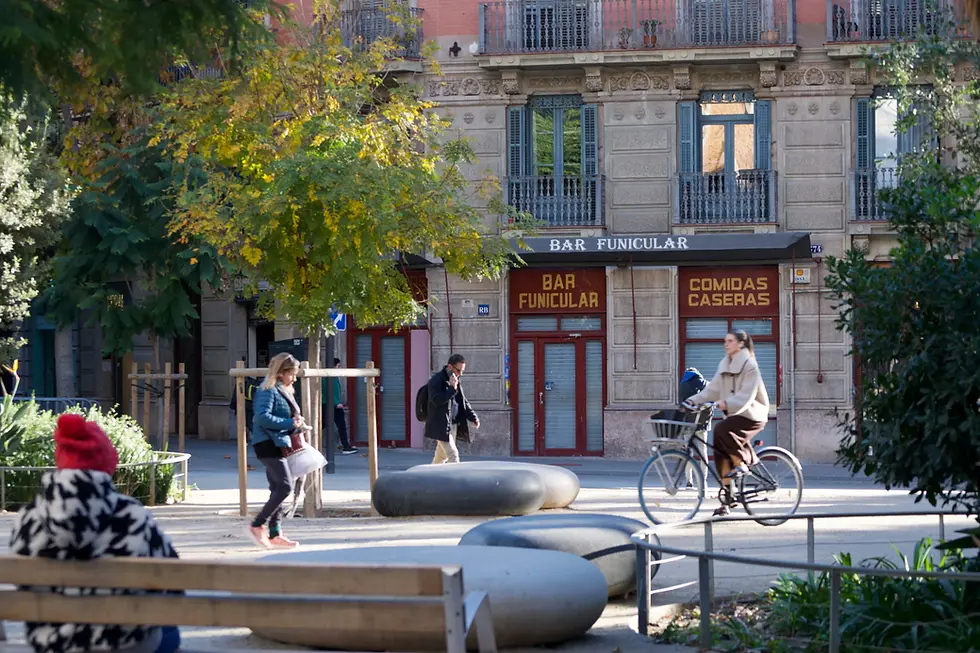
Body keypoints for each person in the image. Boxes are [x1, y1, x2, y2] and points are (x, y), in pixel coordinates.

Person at [8, 413, 182, 653]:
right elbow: (173, 582)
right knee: (168, 631)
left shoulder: (29, 517)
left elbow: (23, 586)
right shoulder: (133, 515)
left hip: (54, 644)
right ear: (106, 465)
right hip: (126, 643)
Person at [683, 330, 770, 516]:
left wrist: (725, 403)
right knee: (720, 452)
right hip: (735, 414)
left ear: (740, 344)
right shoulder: (725, 364)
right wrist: (694, 400)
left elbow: (747, 395)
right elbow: (712, 389)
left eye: (730, 341)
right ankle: (728, 500)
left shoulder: (750, 365)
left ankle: (744, 463)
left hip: (754, 414)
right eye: (725, 341)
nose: (726, 344)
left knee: (722, 429)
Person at [248, 352, 307, 549]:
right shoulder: (268, 390)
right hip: (267, 443)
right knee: (285, 486)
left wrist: (297, 425)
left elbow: (283, 419)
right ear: (281, 372)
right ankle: (257, 524)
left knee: (276, 488)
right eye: (292, 373)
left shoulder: (284, 390)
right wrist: (290, 422)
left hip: (278, 442)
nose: (294, 377)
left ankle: (275, 534)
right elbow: (261, 417)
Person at [424, 353, 479, 464]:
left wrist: (473, 416)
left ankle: (431, 478)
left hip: (452, 424)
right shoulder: (437, 380)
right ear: (450, 367)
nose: (460, 374)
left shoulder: (455, 379)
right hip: (440, 425)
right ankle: (455, 481)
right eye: (458, 370)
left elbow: (462, 400)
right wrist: (451, 389)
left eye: (462, 371)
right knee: (453, 455)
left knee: (441, 457)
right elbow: (436, 400)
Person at [323, 358, 357, 454]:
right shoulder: (328, 377)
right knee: (338, 425)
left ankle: (346, 446)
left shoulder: (334, 377)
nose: (340, 368)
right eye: (338, 366)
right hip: (331, 405)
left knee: (336, 425)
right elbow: (328, 391)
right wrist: (336, 403)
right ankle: (346, 446)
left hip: (332, 405)